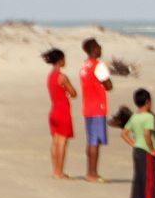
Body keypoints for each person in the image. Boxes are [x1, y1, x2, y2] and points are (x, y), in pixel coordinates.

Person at [79, 38, 114, 183]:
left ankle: (90, 171)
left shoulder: (84, 66)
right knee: (95, 141)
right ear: (94, 49)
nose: (101, 49)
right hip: (97, 107)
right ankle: (92, 173)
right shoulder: (98, 65)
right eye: (99, 47)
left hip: (88, 106)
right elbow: (108, 85)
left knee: (91, 140)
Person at [120, 87, 155, 198]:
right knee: (149, 178)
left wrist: (134, 144)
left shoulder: (134, 117)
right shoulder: (149, 117)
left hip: (137, 150)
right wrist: (152, 149)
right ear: (148, 102)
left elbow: (124, 133)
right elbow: (147, 134)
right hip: (146, 151)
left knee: (138, 177)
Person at [43, 48, 77, 179]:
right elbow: (73, 93)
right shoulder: (62, 77)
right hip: (63, 110)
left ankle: (55, 170)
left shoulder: (50, 76)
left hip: (54, 109)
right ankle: (59, 171)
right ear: (60, 60)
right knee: (62, 141)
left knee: (55, 141)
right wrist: (68, 92)